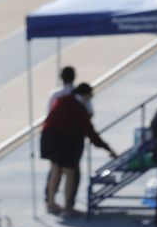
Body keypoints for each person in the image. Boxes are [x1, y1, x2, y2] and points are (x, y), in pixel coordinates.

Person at [41, 84, 117, 217]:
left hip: (48, 137)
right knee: (70, 172)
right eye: (91, 95)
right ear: (85, 94)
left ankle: (51, 204)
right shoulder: (78, 108)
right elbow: (90, 132)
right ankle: (67, 208)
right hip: (62, 140)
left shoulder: (63, 99)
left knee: (56, 169)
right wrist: (107, 148)